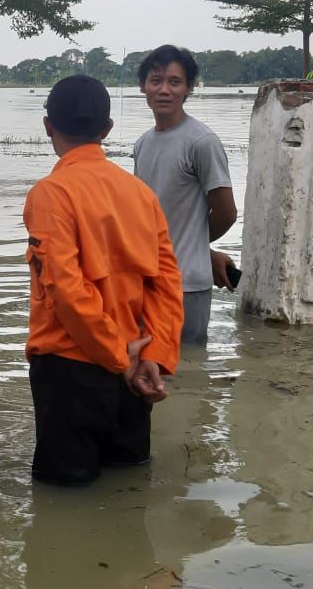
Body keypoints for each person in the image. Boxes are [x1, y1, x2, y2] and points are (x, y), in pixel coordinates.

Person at [23, 74, 183, 486]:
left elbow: (64, 288)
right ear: (106, 130)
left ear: (47, 126)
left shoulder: (51, 193)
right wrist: (153, 357)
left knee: (64, 498)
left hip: (73, 369)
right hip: (136, 374)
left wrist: (118, 357)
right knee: (129, 488)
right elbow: (166, 282)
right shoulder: (140, 194)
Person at [131, 45, 239, 346]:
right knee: (150, 373)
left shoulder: (202, 142)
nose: (164, 90)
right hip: (146, 280)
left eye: (175, 82)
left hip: (187, 285)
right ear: (143, 87)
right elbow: (148, 217)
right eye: (156, 81)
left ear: (188, 88)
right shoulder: (142, 145)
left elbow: (227, 213)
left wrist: (195, 248)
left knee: (189, 375)